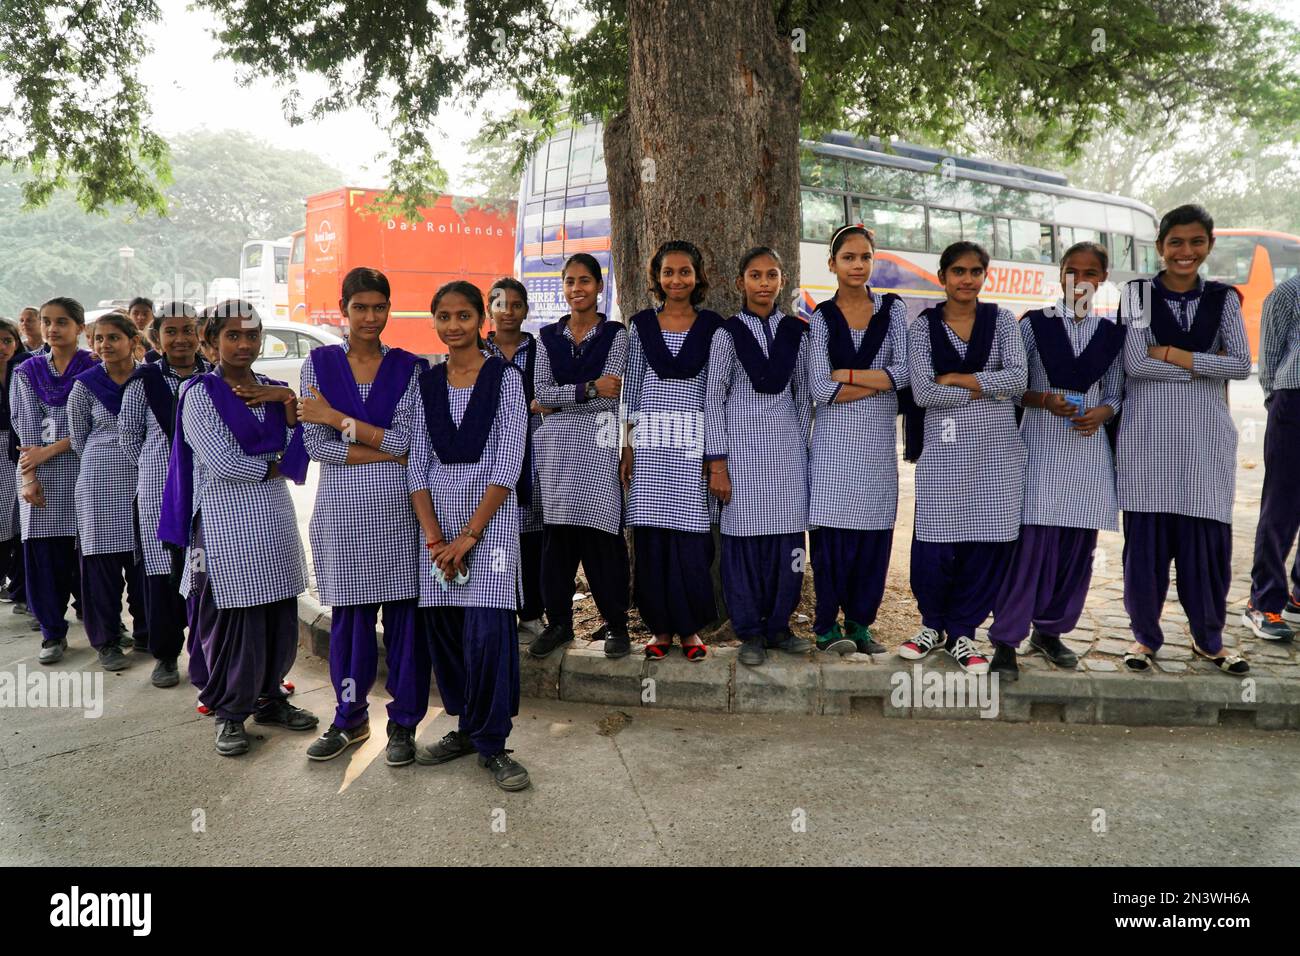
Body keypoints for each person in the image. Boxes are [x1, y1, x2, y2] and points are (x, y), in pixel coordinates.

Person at [159, 299, 316, 756]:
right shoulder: (198, 393)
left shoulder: (272, 388)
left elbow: (300, 445)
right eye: (233, 335)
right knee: (235, 619)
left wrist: (287, 401)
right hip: (225, 524)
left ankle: (269, 698)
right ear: (211, 342)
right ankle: (229, 712)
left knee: (279, 615)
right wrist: (278, 465)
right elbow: (225, 463)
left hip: (276, 520)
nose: (244, 344)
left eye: (252, 335)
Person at [296, 268, 431, 765]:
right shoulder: (319, 363)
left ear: (389, 309)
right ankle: (349, 718)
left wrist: (337, 420)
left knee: (404, 626)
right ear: (343, 309)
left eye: (379, 307)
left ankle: (404, 723)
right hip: (343, 516)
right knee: (350, 626)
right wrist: (381, 445)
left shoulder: (409, 368)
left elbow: (409, 442)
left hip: (399, 513)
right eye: (360, 307)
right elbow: (317, 447)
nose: (370, 317)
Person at [1117, 204, 1251, 675]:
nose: (1185, 252)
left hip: (1205, 447)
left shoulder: (1224, 300)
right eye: (1176, 242)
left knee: (1205, 553)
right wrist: (1202, 364)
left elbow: (1240, 365)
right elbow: (1135, 364)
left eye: (1196, 242)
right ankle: (1144, 639)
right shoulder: (1136, 297)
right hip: (1147, 446)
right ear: (1160, 247)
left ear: (1209, 246)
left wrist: (1173, 355)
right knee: (1146, 555)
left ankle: (1209, 640)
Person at [407, 281, 530, 791]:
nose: (454, 325)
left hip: (490, 525)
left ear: (482, 318)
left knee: (488, 635)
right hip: (435, 526)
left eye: (463, 315)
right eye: (444, 316)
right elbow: (416, 461)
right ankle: (463, 728)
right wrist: (437, 539)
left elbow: (507, 459)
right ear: (434, 321)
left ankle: (494, 744)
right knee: (447, 634)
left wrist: (469, 537)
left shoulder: (505, 378)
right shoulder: (426, 382)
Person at [986, 242, 1125, 680]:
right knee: (1031, 549)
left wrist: (1104, 412)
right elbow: (1013, 386)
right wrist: (1044, 398)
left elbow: (1118, 393)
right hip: (1041, 447)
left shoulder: (1112, 335)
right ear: (1059, 273)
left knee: (1075, 550)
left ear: (1102, 278)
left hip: (1087, 452)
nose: (1079, 279)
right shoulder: (1034, 326)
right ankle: (1006, 640)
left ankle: (1050, 631)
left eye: (1090, 272)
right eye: (1071, 270)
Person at [900, 241, 1027, 675]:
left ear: (984, 277)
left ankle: (963, 633)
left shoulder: (1004, 322)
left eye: (975, 271)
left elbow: (1017, 378)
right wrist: (984, 388)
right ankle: (932, 625)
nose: (966, 279)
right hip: (944, 455)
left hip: (997, 456)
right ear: (942, 277)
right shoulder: (922, 329)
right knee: (935, 546)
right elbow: (923, 392)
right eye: (958, 271)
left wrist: (957, 377)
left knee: (985, 545)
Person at [704, 246, 815, 667]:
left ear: (782, 281)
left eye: (772, 275)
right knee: (743, 545)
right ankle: (749, 630)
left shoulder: (796, 332)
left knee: (788, 544)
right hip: (741, 456)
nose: (764, 283)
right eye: (755, 275)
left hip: (787, 454)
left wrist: (797, 442)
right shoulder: (726, 334)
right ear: (740, 283)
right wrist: (718, 462)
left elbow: (804, 395)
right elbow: (713, 399)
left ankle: (779, 627)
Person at [807, 225, 907, 656]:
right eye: (848, 257)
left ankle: (861, 625)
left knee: (872, 537)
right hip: (832, 446)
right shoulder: (821, 317)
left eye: (865, 257)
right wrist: (877, 382)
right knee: (832, 537)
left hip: (877, 447)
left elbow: (903, 373)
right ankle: (828, 626)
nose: (857, 265)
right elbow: (817, 387)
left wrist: (845, 375)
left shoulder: (893, 311)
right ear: (832, 265)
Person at [527, 253, 632, 660]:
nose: (577, 289)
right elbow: (540, 397)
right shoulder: (546, 338)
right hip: (556, 454)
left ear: (599, 286)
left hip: (600, 448)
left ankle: (617, 626)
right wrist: (589, 389)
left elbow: (615, 393)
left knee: (604, 540)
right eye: (570, 281)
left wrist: (564, 398)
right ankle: (559, 625)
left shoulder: (616, 335)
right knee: (559, 541)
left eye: (585, 281)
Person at [622, 240, 722, 660]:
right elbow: (631, 386)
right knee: (652, 541)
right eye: (668, 272)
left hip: (691, 445)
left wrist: (714, 456)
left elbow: (715, 394)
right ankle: (660, 630)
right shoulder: (641, 325)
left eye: (685, 271)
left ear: (697, 276)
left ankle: (690, 632)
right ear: (657, 278)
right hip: (648, 446)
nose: (676, 279)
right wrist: (625, 446)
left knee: (691, 542)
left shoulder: (715, 327)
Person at [119, 300, 211, 689]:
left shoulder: (214, 377)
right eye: (171, 331)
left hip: (207, 492)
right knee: (162, 575)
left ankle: (207, 654)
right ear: (156, 338)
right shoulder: (145, 381)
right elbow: (128, 437)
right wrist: (160, 468)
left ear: (200, 335)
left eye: (188, 329)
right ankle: (166, 655)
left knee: (203, 571)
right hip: (159, 494)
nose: (180, 338)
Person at [12, 298, 96, 664]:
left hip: (88, 471)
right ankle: (52, 632)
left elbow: (95, 426)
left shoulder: (96, 367)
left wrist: (49, 451)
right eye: (47, 321)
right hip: (41, 475)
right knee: (44, 555)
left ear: (79, 327)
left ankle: (102, 626)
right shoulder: (28, 372)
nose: (52, 328)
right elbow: (26, 429)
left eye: (62, 322)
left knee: (89, 555)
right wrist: (29, 477)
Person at [67, 313, 147, 671]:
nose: (105, 345)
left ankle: (148, 633)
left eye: (114, 337)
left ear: (133, 340)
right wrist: (108, 455)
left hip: (146, 474)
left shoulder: (150, 378)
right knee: (101, 564)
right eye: (98, 339)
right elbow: (79, 438)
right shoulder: (85, 384)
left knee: (147, 561)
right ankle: (107, 641)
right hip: (99, 479)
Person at [485, 277, 545, 642]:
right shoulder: (474, 352)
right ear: (488, 310)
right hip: (490, 456)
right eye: (499, 304)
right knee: (497, 537)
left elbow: (549, 397)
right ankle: (499, 609)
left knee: (534, 538)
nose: (508, 312)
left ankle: (533, 613)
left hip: (536, 455)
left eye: (516, 304)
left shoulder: (542, 351)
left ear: (526, 309)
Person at [1246, 272, 1300, 640]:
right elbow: (1269, 359)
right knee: (1281, 505)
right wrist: (1276, 401)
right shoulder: (1287, 294)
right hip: (1294, 400)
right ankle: (1262, 602)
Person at [0, 319, 30, 614]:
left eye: (7, 340)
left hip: (21, 447)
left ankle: (22, 589)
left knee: (21, 521)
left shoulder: (24, 368)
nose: (2, 347)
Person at [128, 297, 158, 362]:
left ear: (154, 316)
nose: (140, 317)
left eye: (145, 314)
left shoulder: (159, 339)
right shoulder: (123, 339)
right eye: (135, 313)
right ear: (128, 315)